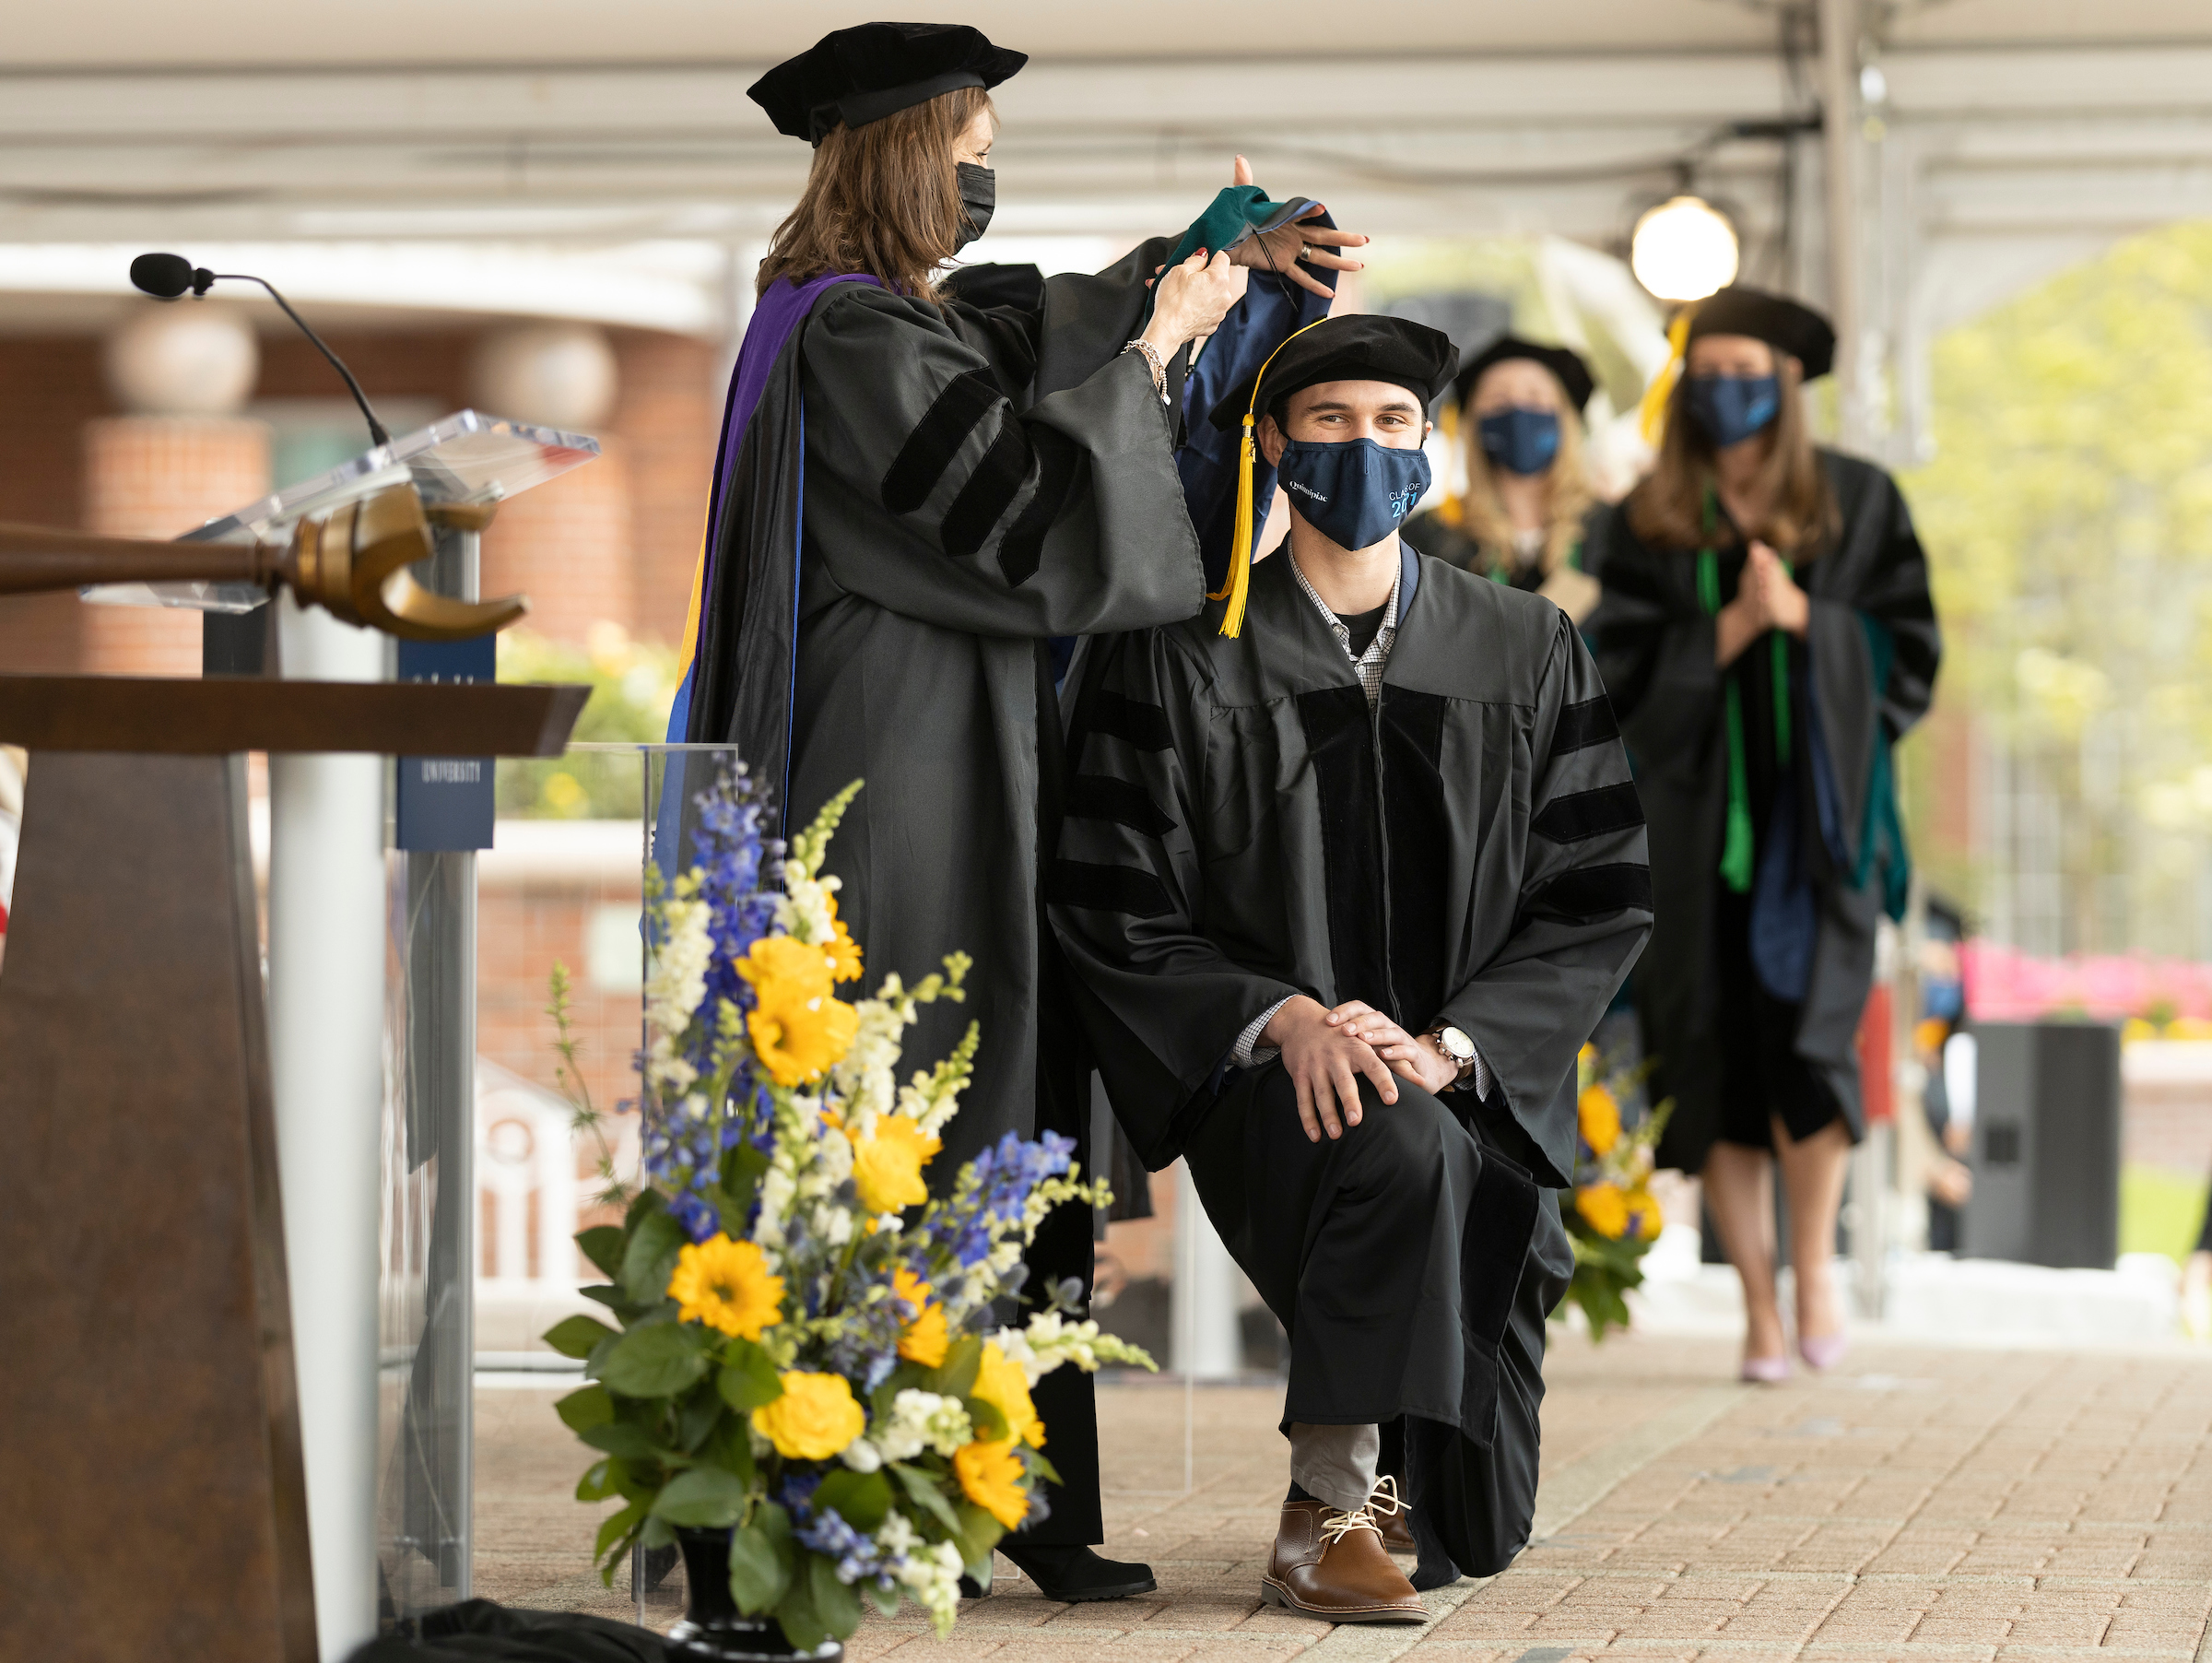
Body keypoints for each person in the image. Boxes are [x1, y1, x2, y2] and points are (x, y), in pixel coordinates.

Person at [668, 22, 1369, 1602]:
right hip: (898, 773)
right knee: (921, 1108)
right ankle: (868, 1490)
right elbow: (1025, 527)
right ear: (912, 150)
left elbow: (1026, 329)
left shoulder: (880, 318)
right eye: (972, 135)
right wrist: (1155, 353)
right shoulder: (849, 337)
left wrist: (1209, 266)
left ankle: (1015, 1485)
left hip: (968, 753)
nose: (989, 164)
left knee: (1008, 1098)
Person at [1050, 314, 1653, 1618]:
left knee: (1473, 1533)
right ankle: (1326, 1511)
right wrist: (1281, 1018)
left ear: (1427, 448)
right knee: (1401, 1146)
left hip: (1466, 1082)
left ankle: (1386, 1495)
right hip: (1279, 1091)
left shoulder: (1525, 647)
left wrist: (1452, 1048)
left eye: (1391, 423)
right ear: (1272, 445)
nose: (1363, 447)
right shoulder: (1180, 652)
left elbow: (1597, 896)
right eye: (1329, 423)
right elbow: (1114, 900)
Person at [1587, 285, 1940, 1381]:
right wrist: (1729, 628)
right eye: (1710, 371)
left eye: (1749, 372)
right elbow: (1612, 688)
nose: (1726, 390)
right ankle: (1757, 1302)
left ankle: (1816, 1268)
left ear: (1788, 387)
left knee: (1811, 1049)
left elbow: (1912, 657)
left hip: (1817, 835)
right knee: (1712, 1063)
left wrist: (1810, 624)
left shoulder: (1859, 502)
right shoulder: (1646, 519)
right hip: (1693, 846)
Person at [1402, 335, 1604, 624]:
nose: (1518, 410)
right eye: (1498, 399)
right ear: (1473, 425)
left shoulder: (1612, 530)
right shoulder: (1431, 540)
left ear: (1565, 418)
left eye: (1535, 397)